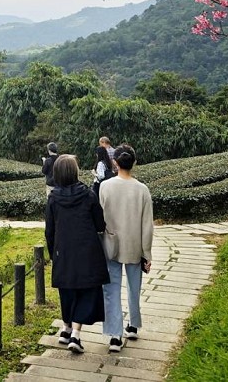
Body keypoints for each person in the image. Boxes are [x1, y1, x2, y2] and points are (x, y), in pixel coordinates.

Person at [45, 154, 110, 353]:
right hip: (87, 251)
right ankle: (75, 334)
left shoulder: (53, 198)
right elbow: (100, 224)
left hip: (63, 252)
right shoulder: (88, 195)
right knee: (87, 291)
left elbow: (49, 230)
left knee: (67, 291)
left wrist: (52, 254)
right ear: (75, 172)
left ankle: (65, 329)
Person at [99, 144, 154, 351]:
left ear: (115, 162)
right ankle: (133, 325)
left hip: (110, 244)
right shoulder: (142, 190)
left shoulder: (105, 186)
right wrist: (147, 254)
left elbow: (100, 218)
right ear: (134, 163)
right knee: (134, 287)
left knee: (111, 290)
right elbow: (147, 225)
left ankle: (115, 335)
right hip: (135, 245)